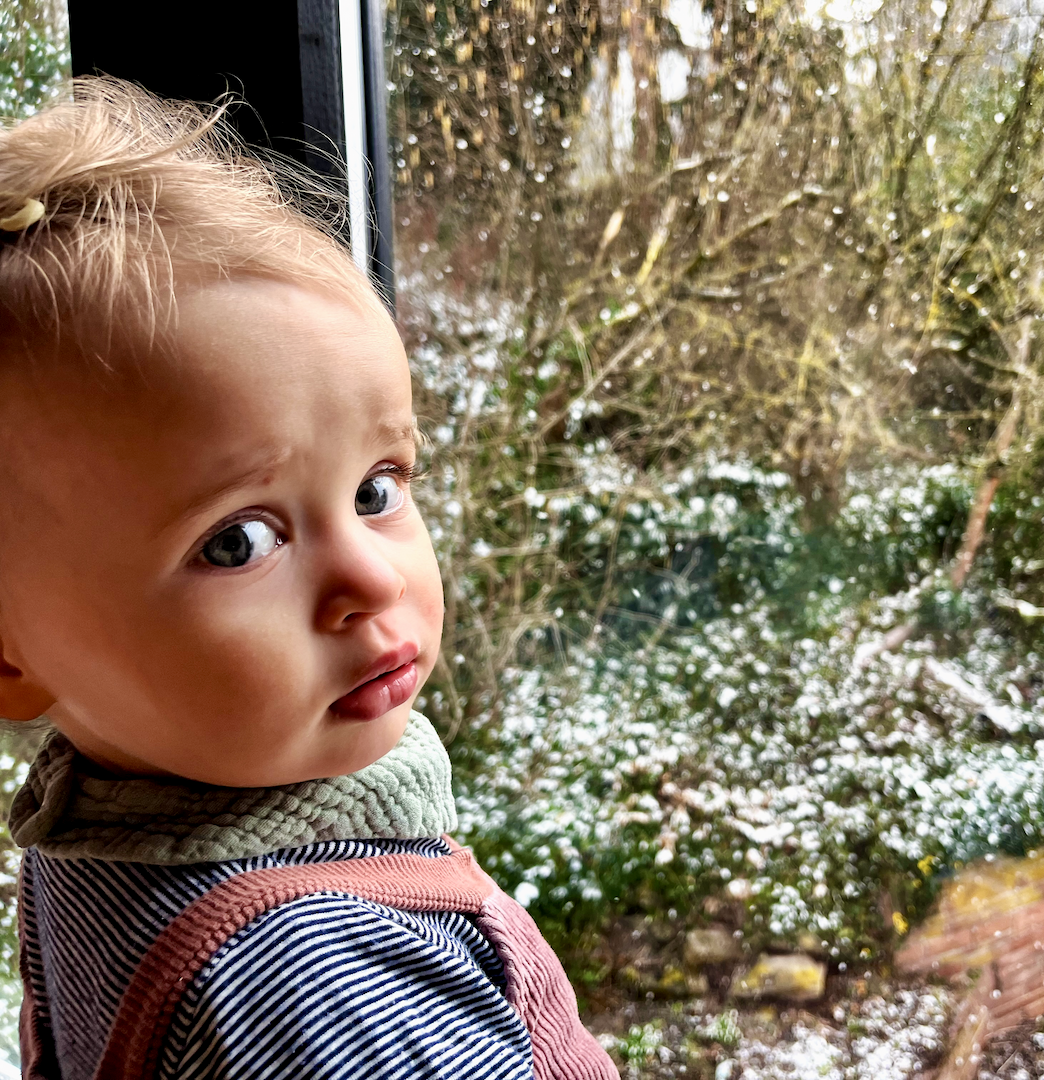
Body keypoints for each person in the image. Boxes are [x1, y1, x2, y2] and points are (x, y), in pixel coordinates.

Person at [0, 78, 617, 1080]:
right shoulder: (310, 983)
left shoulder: (94, 826)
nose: (370, 579)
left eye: (379, 488)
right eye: (238, 543)